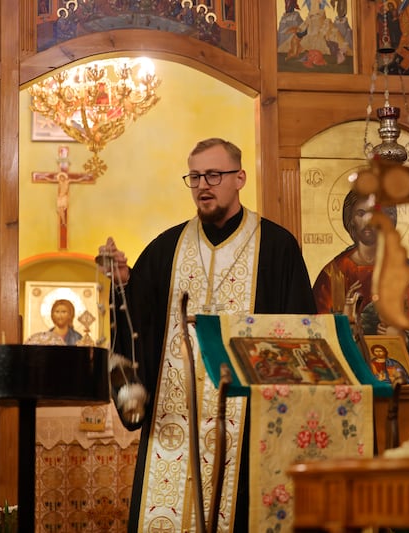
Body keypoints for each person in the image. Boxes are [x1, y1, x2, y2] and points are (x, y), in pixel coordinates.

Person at [98, 137, 316, 532]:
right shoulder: (165, 249)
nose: (203, 185)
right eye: (195, 176)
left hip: (248, 426)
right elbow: (136, 326)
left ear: (239, 178)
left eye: (214, 175)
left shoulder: (277, 248)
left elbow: (299, 335)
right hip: (175, 422)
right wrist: (123, 285)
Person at [313, 190, 409, 362]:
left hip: (404, 375)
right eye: (361, 213)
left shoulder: (408, 270)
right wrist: (346, 323)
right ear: (350, 219)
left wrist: (405, 338)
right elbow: (317, 334)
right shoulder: (334, 273)